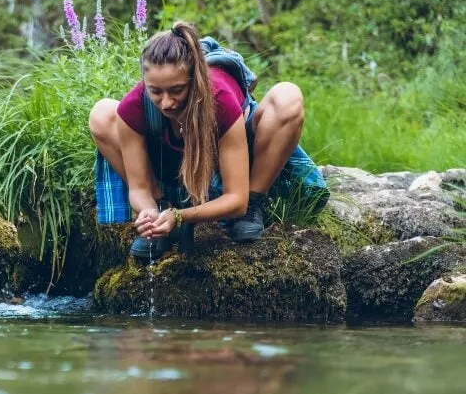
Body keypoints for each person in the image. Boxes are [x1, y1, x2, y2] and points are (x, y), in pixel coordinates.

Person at [88, 21, 327, 259]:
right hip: (169, 162)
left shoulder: (219, 100)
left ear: (195, 79)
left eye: (177, 90)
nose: (166, 102)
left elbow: (236, 199)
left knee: (288, 96)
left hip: (229, 158)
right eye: (156, 91)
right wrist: (149, 213)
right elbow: (138, 188)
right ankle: (161, 208)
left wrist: (181, 216)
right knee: (101, 113)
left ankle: (254, 204)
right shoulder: (136, 106)